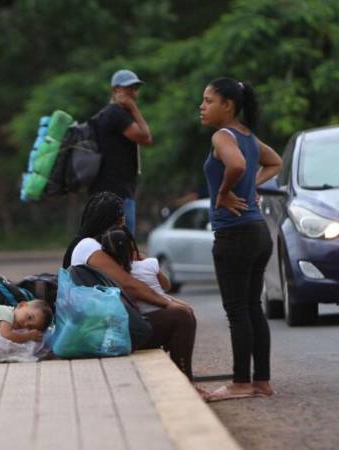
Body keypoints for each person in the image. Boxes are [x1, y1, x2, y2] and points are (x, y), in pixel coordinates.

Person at [63, 192, 203, 385]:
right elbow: (128, 284)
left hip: (106, 325)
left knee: (182, 313)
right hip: (103, 331)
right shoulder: (88, 246)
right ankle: (188, 384)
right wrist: (167, 304)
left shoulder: (94, 244)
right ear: (118, 219)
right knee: (181, 318)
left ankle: (178, 380)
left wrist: (171, 302)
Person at [200, 77, 282, 401]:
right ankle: (261, 381)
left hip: (235, 234)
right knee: (252, 308)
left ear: (228, 106)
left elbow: (236, 164)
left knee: (237, 311)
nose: (202, 107)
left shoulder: (222, 135)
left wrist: (224, 193)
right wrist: (250, 188)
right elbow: (274, 162)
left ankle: (240, 383)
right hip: (258, 233)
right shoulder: (247, 135)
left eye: (208, 101)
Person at [89, 69, 153, 235]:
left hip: (103, 191)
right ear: (116, 90)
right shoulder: (116, 114)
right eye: (128, 88)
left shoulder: (103, 114)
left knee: (107, 241)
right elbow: (146, 137)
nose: (133, 93)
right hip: (118, 192)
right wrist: (134, 109)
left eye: (135, 88)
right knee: (123, 242)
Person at [99, 225, 188, 313]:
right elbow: (167, 286)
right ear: (131, 247)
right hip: (162, 312)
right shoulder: (149, 264)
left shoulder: (110, 275)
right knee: (186, 310)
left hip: (138, 317)